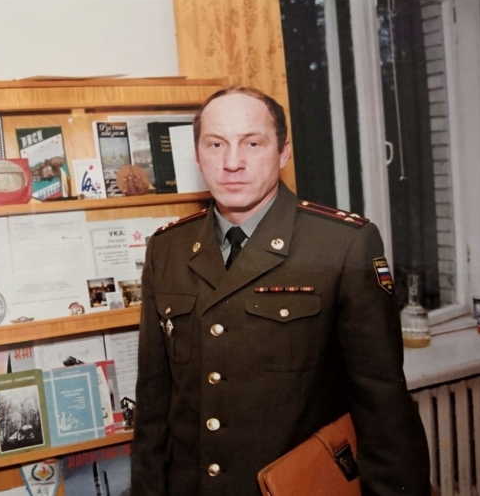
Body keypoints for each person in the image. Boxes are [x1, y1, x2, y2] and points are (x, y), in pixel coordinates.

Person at [131, 86, 430, 496]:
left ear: (283, 152)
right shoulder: (168, 248)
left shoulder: (341, 245)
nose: (232, 162)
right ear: (197, 155)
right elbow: (153, 402)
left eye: (252, 143)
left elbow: (382, 405)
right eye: (215, 144)